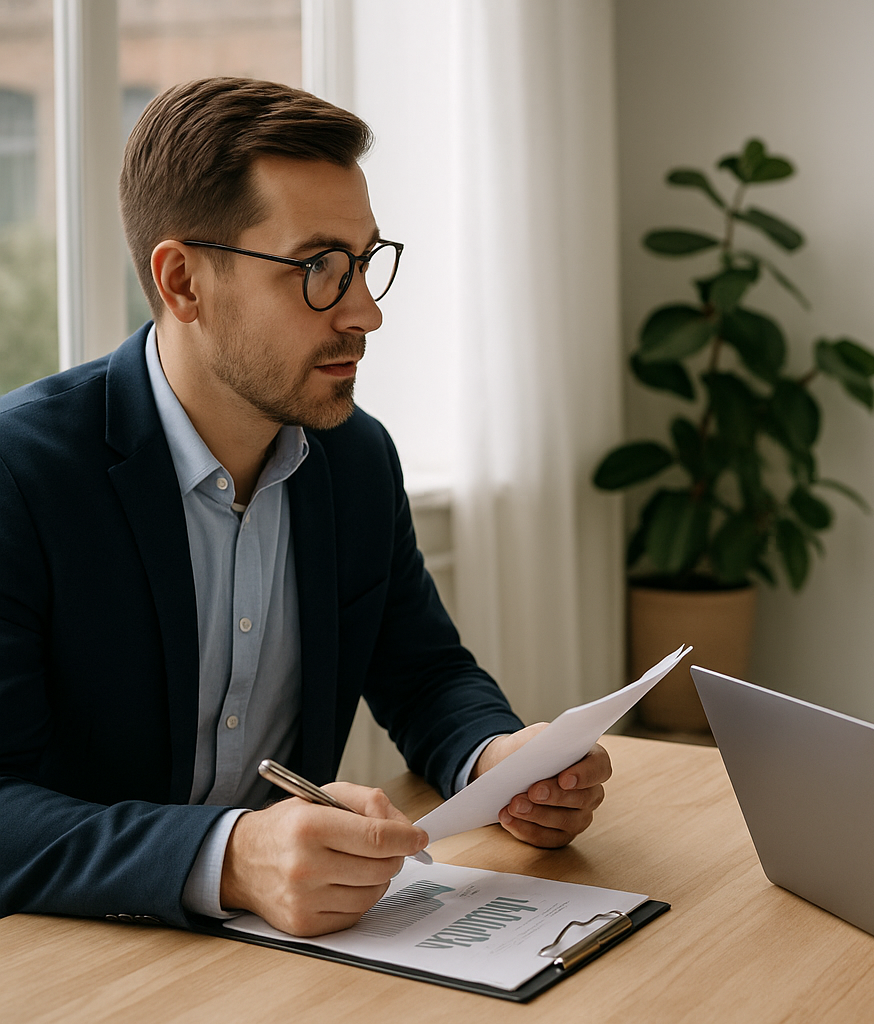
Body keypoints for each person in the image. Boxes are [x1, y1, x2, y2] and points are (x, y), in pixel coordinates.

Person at [0, 78, 610, 937]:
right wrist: (229, 854)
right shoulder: (20, 473)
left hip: (305, 953)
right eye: (319, 269)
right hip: (89, 961)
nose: (366, 311)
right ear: (183, 283)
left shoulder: (354, 458)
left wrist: (499, 761)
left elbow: (426, 673)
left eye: (364, 262)